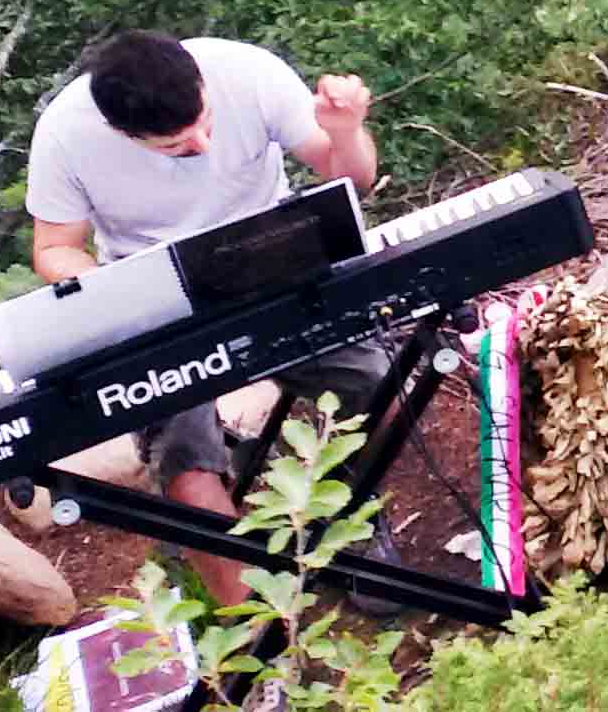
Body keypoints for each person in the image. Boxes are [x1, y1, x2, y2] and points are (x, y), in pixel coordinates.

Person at [25, 31, 389, 606]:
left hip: (274, 260)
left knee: (375, 383)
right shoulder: (65, 133)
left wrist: (344, 132)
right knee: (185, 463)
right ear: (122, 132)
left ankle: (357, 526)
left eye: (206, 122)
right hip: (157, 302)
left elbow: (351, 179)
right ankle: (259, 635)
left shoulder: (245, 70)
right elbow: (53, 248)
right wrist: (100, 287)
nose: (200, 143)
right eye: (175, 146)